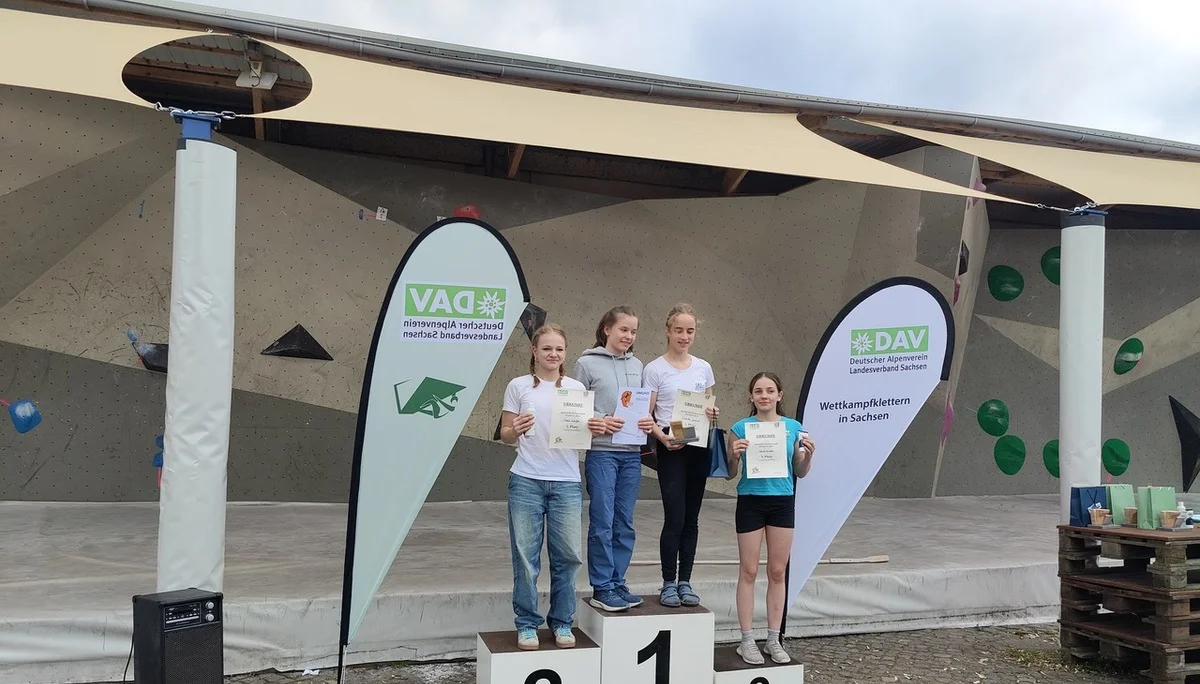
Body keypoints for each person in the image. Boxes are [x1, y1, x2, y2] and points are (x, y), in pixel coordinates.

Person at [499, 323, 605, 650]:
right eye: (546, 348)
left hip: (566, 482)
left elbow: (587, 431)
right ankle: (527, 624)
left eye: (558, 349)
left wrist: (595, 427)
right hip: (526, 479)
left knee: (568, 557)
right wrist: (514, 429)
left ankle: (562, 622)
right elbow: (504, 433)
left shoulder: (576, 389)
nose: (553, 354)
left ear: (565, 352)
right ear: (534, 351)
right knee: (525, 557)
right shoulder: (518, 386)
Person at [726, 372, 816, 666]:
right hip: (751, 502)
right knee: (749, 571)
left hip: (782, 503)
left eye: (770, 391)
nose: (764, 396)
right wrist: (734, 456)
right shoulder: (740, 428)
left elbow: (799, 472)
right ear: (751, 397)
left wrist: (808, 457)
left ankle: (774, 639)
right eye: (758, 391)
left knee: (777, 572)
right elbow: (729, 473)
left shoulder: (793, 428)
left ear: (779, 395)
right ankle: (746, 639)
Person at [641, 303, 720, 608]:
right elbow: (646, 415)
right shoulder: (655, 369)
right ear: (667, 331)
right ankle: (668, 583)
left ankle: (686, 580)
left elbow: (708, 408)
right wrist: (662, 437)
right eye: (679, 330)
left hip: (697, 448)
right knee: (674, 516)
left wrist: (712, 412)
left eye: (690, 331)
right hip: (671, 448)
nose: (684, 336)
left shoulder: (703, 367)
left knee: (691, 519)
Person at [573, 305, 649, 612]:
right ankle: (601, 587)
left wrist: (647, 421)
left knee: (624, 523)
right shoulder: (586, 364)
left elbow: (643, 405)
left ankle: (618, 582)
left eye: (633, 331)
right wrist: (600, 418)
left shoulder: (639, 365)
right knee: (602, 521)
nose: (628, 336)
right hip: (602, 453)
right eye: (623, 330)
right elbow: (575, 408)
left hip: (631, 455)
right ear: (607, 329)